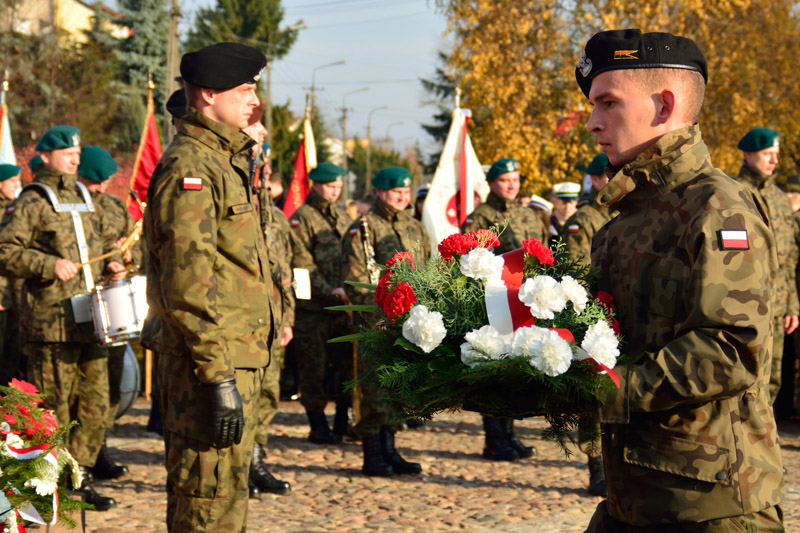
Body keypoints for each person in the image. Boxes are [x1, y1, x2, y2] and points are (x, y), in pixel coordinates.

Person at [577, 29, 783, 530]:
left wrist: (608, 390)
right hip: (634, 498)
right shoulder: (624, 219)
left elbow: (732, 347)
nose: (592, 122)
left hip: (711, 505)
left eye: (607, 102)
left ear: (664, 104)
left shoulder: (717, 207)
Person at [142, 42, 275, 532]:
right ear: (205, 94)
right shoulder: (192, 167)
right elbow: (188, 286)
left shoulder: (225, 162)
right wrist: (218, 378)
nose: (252, 101)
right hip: (209, 367)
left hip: (236, 358)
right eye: (243, 90)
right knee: (206, 504)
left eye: (253, 89)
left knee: (224, 503)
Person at [0, 126, 127, 511]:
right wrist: (49, 264)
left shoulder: (84, 197)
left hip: (91, 317)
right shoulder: (33, 200)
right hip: (51, 322)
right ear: (45, 156)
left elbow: (101, 245)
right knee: (55, 407)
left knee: (94, 404)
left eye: (76, 151)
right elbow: (5, 250)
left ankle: (80, 474)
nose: (75, 156)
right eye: (66, 152)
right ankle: (44, 484)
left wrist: (118, 262)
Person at [342, 166, 430, 477]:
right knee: (375, 387)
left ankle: (391, 449)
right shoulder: (365, 228)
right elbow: (356, 278)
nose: (403, 198)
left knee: (396, 387)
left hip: (409, 321)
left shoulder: (415, 227)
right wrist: (379, 317)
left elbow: (427, 267)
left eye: (406, 193)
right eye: (396, 193)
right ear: (380, 193)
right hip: (377, 322)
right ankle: (373, 454)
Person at [461, 157, 547, 462]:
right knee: (494, 368)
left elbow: (543, 252)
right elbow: (471, 261)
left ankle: (509, 433)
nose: (511, 185)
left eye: (515, 179)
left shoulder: (529, 215)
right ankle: (494, 438)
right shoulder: (481, 217)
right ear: (492, 184)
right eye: (504, 180)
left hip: (526, 300)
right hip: (493, 302)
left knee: (515, 365)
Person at [76, 145, 140, 481]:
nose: (100, 188)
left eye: (105, 182)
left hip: (112, 309)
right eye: (92, 181)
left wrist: (126, 261)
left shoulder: (115, 207)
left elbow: (135, 244)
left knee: (111, 386)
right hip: (74, 307)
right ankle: (78, 459)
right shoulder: (71, 206)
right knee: (83, 390)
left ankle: (99, 447)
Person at [242, 119, 292, 499]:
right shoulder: (240, 210)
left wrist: (288, 316)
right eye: (261, 170)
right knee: (243, 399)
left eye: (269, 171)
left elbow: (286, 271)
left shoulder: (275, 218)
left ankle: (257, 460)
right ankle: (240, 465)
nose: (266, 177)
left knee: (268, 394)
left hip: (274, 317)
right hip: (244, 319)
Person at [289, 161, 355, 445]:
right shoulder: (302, 218)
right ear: (315, 185)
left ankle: (343, 419)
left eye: (339, 186)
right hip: (314, 309)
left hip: (341, 307)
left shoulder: (341, 219)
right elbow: (302, 264)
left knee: (346, 365)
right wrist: (330, 290)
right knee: (313, 367)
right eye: (330, 186)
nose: (335, 191)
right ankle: (317, 424)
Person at [560, 152, 613, 497]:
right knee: (594, 399)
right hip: (593, 315)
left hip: (622, 312)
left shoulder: (626, 211)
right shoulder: (585, 219)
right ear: (595, 180)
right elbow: (579, 272)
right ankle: (597, 468)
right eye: (608, 175)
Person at [734, 128, 799, 406]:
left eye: (775, 155)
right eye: (767, 155)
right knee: (743, 376)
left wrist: (792, 305)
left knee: (772, 381)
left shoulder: (780, 198)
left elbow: (790, 257)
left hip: (778, 306)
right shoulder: (734, 194)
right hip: (746, 306)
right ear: (749, 154)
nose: (774, 161)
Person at [0, 164, 23, 387]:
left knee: (12, 354)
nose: (17, 187)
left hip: (14, 296)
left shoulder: (17, 210)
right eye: (12, 182)